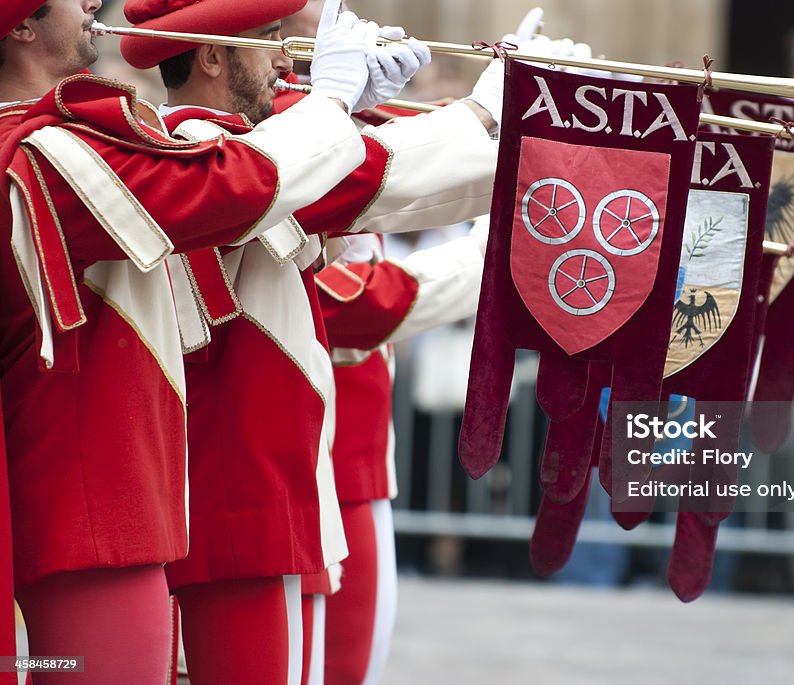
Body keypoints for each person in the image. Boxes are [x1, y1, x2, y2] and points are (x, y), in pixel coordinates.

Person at [118, 0, 516, 681]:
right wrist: (485, 117)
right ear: (212, 56)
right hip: (243, 498)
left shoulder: (244, 145)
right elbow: (370, 196)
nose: (287, 59)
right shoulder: (204, 149)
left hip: (279, 486)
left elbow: (367, 179)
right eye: (271, 39)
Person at [0, 1, 380, 682]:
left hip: (107, 512)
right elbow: (230, 185)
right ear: (22, 25)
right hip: (94, 519)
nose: (93, 4)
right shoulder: (43, 148)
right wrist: (334, 106)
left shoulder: (57, 137)